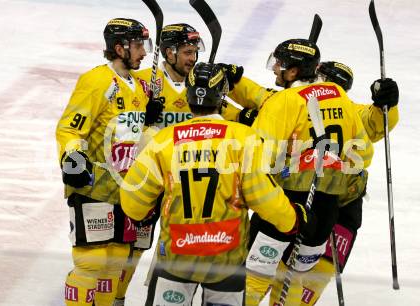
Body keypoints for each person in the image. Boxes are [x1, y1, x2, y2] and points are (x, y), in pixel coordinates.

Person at [120, 62, 316, 305]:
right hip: (226, 256)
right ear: (222, 96)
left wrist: (144, 211)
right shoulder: (243, 138)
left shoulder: (164, 139)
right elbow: (261, 193)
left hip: (177, 253)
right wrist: (290, 219)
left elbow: (133, 201)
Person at [220, 38, 375, 305]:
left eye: (279, 64)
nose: (274, 69)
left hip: (285, 206)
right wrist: (328, 158)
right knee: (292, 277)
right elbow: (364, 155)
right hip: (325, 211)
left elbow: (260, 158)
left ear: (293, 71)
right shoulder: (340, 98)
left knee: (254, 275)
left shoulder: (284, 101)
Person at [56, 18, 156, 306]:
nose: (144, 52)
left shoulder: (137, 87)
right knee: (92, 261)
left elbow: (132, 136)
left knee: (115, 262)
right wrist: (72, 157)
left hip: (123, 189)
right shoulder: (96, 80)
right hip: (93, 186)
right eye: (138, 45)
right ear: (119, 48)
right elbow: (70, 129)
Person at [113, 23, 206, 305]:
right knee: (135, 245)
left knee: (181, 248)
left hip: (186, 183)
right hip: (149, 178)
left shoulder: (200, 83)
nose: (193, 58)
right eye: (188, 52)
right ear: (169, 52)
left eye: (194, 52)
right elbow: (120, 122)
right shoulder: (142, 80)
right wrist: (143, 114)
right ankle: (117, 298)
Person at [295, 61, 399, 305]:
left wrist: (387, 103)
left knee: (314, 268)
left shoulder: (303, 104)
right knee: (306, 267)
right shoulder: (301, 104)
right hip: (329, 200)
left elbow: (375, 120)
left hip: (327, 200)